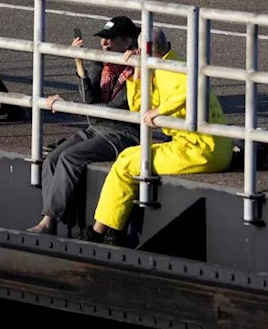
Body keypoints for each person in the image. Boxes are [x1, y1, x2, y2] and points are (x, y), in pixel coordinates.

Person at [87, 28, 233, 245]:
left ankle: (100, 232)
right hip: (206, 147)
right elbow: (138, 107)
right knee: (129, 157)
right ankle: (112, 229)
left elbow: (188, 92)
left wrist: (160, 111)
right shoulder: (162, 67)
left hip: (200, 149)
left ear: (141, 49)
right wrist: (137, 72)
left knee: (126, 164)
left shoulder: (175, 70)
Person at [28, 16, 144, 236]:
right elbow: (90, 104)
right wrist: (79, 63)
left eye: (110, 39)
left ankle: (48, 221)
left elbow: (114, 109)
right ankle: (50, 220)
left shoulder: (137, 67)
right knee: (51, 160)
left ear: (128, 41)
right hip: (96, 127)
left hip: (122, 134)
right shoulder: (102, 62)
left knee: (70, 157)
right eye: (102, 39)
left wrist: (70, 104)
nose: (104, 43)